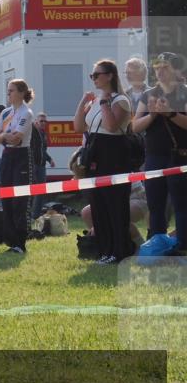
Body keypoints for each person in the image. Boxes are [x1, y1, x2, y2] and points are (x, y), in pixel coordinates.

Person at [74, 60, 134, 264]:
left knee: (115, 206)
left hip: (114, 157)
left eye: (97, 74)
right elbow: (79, 126)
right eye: (92, 75)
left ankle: (120, 251)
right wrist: (83, 103)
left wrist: (103, 103)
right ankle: (105, 250)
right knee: (98, 205)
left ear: (109, 76)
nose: (94, 79)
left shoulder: (120, 101)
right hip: (95, 156)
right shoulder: (97, 100)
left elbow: (111, 126)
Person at [131, 52, 187, 251]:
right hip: (154, 157)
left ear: (175, 69)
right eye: (157, 67)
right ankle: (157, 245)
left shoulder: (184, 92)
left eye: (165, 67)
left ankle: (182, 246)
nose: (160, 71)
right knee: (155, 205)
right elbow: (135, 126)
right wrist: (153, 115)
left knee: (181, 205)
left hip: (179, 156)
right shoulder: (149, 94)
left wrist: (170, 113)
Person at [0, 80, 36, 255]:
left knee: (20, 201)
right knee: (7, 199)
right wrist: (5, 136)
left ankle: (20, 241)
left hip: (21, 156)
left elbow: (17, 138)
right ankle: (11, 241)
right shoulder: (5, 112)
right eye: (7, 90)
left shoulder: (27, 112)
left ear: (21, 92)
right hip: (6, 155)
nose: (8, 94)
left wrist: (3, 136)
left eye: (11, 91)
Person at [30, 113, 56, 219]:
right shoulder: (32, 132)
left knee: (41, 191)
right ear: (36, 122)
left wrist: (50, 159)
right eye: (41, 121)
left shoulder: (43, 133)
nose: (43, 123)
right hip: (33, 165)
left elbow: (43, 151)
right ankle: (33, 215)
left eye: (45, 121)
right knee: (34, 191)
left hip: (41, 165)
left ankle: (36, 215)